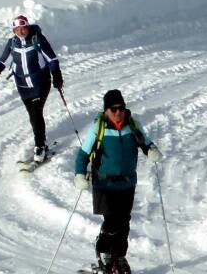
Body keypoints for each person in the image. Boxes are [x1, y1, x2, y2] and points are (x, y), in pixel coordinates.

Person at [72, 89, 160, 274]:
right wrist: (80, 174)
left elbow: (146, 142)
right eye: (114, 109)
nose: (118, 112)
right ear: (106, 111)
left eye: (121, 108)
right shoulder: (99, 128)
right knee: (112, 221)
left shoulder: (133, 125)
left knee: (124, 222)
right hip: (105, 183)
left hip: (127, 183)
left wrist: (151, 150)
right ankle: (104, 250)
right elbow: (83, 154)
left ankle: (119, 256)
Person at [0, 14, 63, 162]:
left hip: (40, 82)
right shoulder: (12, 43)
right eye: (18, 28)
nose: (21, 31)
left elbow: (51, 59)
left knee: (36, 113)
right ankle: (41, 142)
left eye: (24, 27)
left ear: (28, 27)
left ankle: (39, 146)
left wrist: (57, 75)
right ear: (14, 30)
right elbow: (3, 61)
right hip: (23, 86)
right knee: (32, 116)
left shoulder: (37, 39)